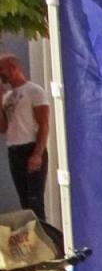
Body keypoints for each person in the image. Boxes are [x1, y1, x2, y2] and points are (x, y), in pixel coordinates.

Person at [0, 53, 51, 221]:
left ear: (14, 67)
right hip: (14, 150)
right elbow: (3, 127)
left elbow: (44, 124)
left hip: (31, 147)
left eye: (2, 70)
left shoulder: (34, 91)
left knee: (35, 200)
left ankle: (44, 238)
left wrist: (37, 154)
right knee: (24, 201)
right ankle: (31, 239)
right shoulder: (7, 97)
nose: (1, 75)